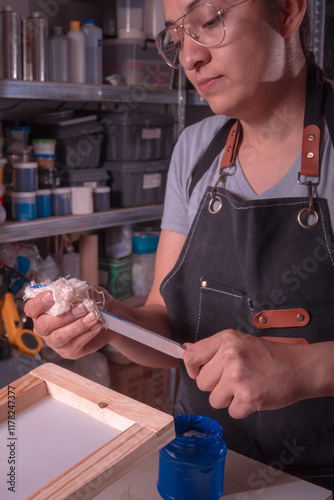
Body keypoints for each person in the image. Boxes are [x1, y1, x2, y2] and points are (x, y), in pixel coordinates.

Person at [25, 0, 334, 491]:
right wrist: (104, 317)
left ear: (288, 13)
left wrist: (306, 368)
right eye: (176, 35)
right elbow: (166, 329)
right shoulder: (195, 150)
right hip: (201, 467)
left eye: (208, 21)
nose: (190, 56)